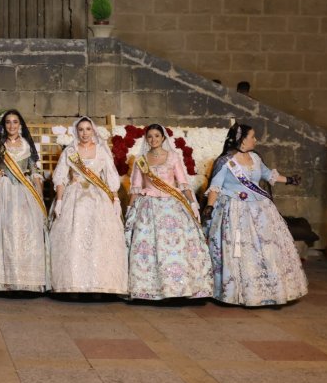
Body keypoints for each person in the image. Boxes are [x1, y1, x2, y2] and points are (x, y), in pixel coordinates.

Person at [202, 123, 307, 306]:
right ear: (242, 140)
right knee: (238, 251)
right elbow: (216, 187)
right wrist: (209, 207)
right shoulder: (225, 161)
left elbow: (267, 175)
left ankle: (268, 289)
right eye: (253, 136)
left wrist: (289, 180)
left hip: (260, 210)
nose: (255, 140)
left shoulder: (256, 158)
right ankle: (236, 291)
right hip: (234, 211)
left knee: (267, 248)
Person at [124, 124, 213, 300]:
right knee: (148, 246)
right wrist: (130, 209)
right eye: (150, 136)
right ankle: (150, 288)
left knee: (176, 245)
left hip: (172, 205)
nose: (153, 140)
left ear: (163, 138)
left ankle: (179, 287)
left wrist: (192, 203)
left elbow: (182, 183)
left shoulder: (173, 157)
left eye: (157, 136)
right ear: (146, 139)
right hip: (148, 207)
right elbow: (135, 187)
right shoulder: (141, 159)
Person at [49, 117, 128, 294]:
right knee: (73, 239)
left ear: (93, 131)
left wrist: (115, 199)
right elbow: (60, 177)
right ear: (76, 132)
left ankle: (100, 284)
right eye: (81, 130)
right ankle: (73, 284)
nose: (84, 133)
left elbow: (110, 176)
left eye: (88, 129)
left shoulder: (101, 150)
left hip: (98, 198)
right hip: (74, 197)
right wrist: (60, 200)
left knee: (100, 240)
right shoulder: (70, 151)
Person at [0, 109, 49, 292]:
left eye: (15, 122)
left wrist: (40, 196)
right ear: (4, 126)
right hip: (2, 191)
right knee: (3, 232)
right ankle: (3, 280)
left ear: (20, 125)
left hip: (24, 192)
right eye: (8, 122)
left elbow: (34, 172)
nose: (11, 126)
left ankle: (25, 279)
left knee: (24, 232)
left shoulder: (27, 145)